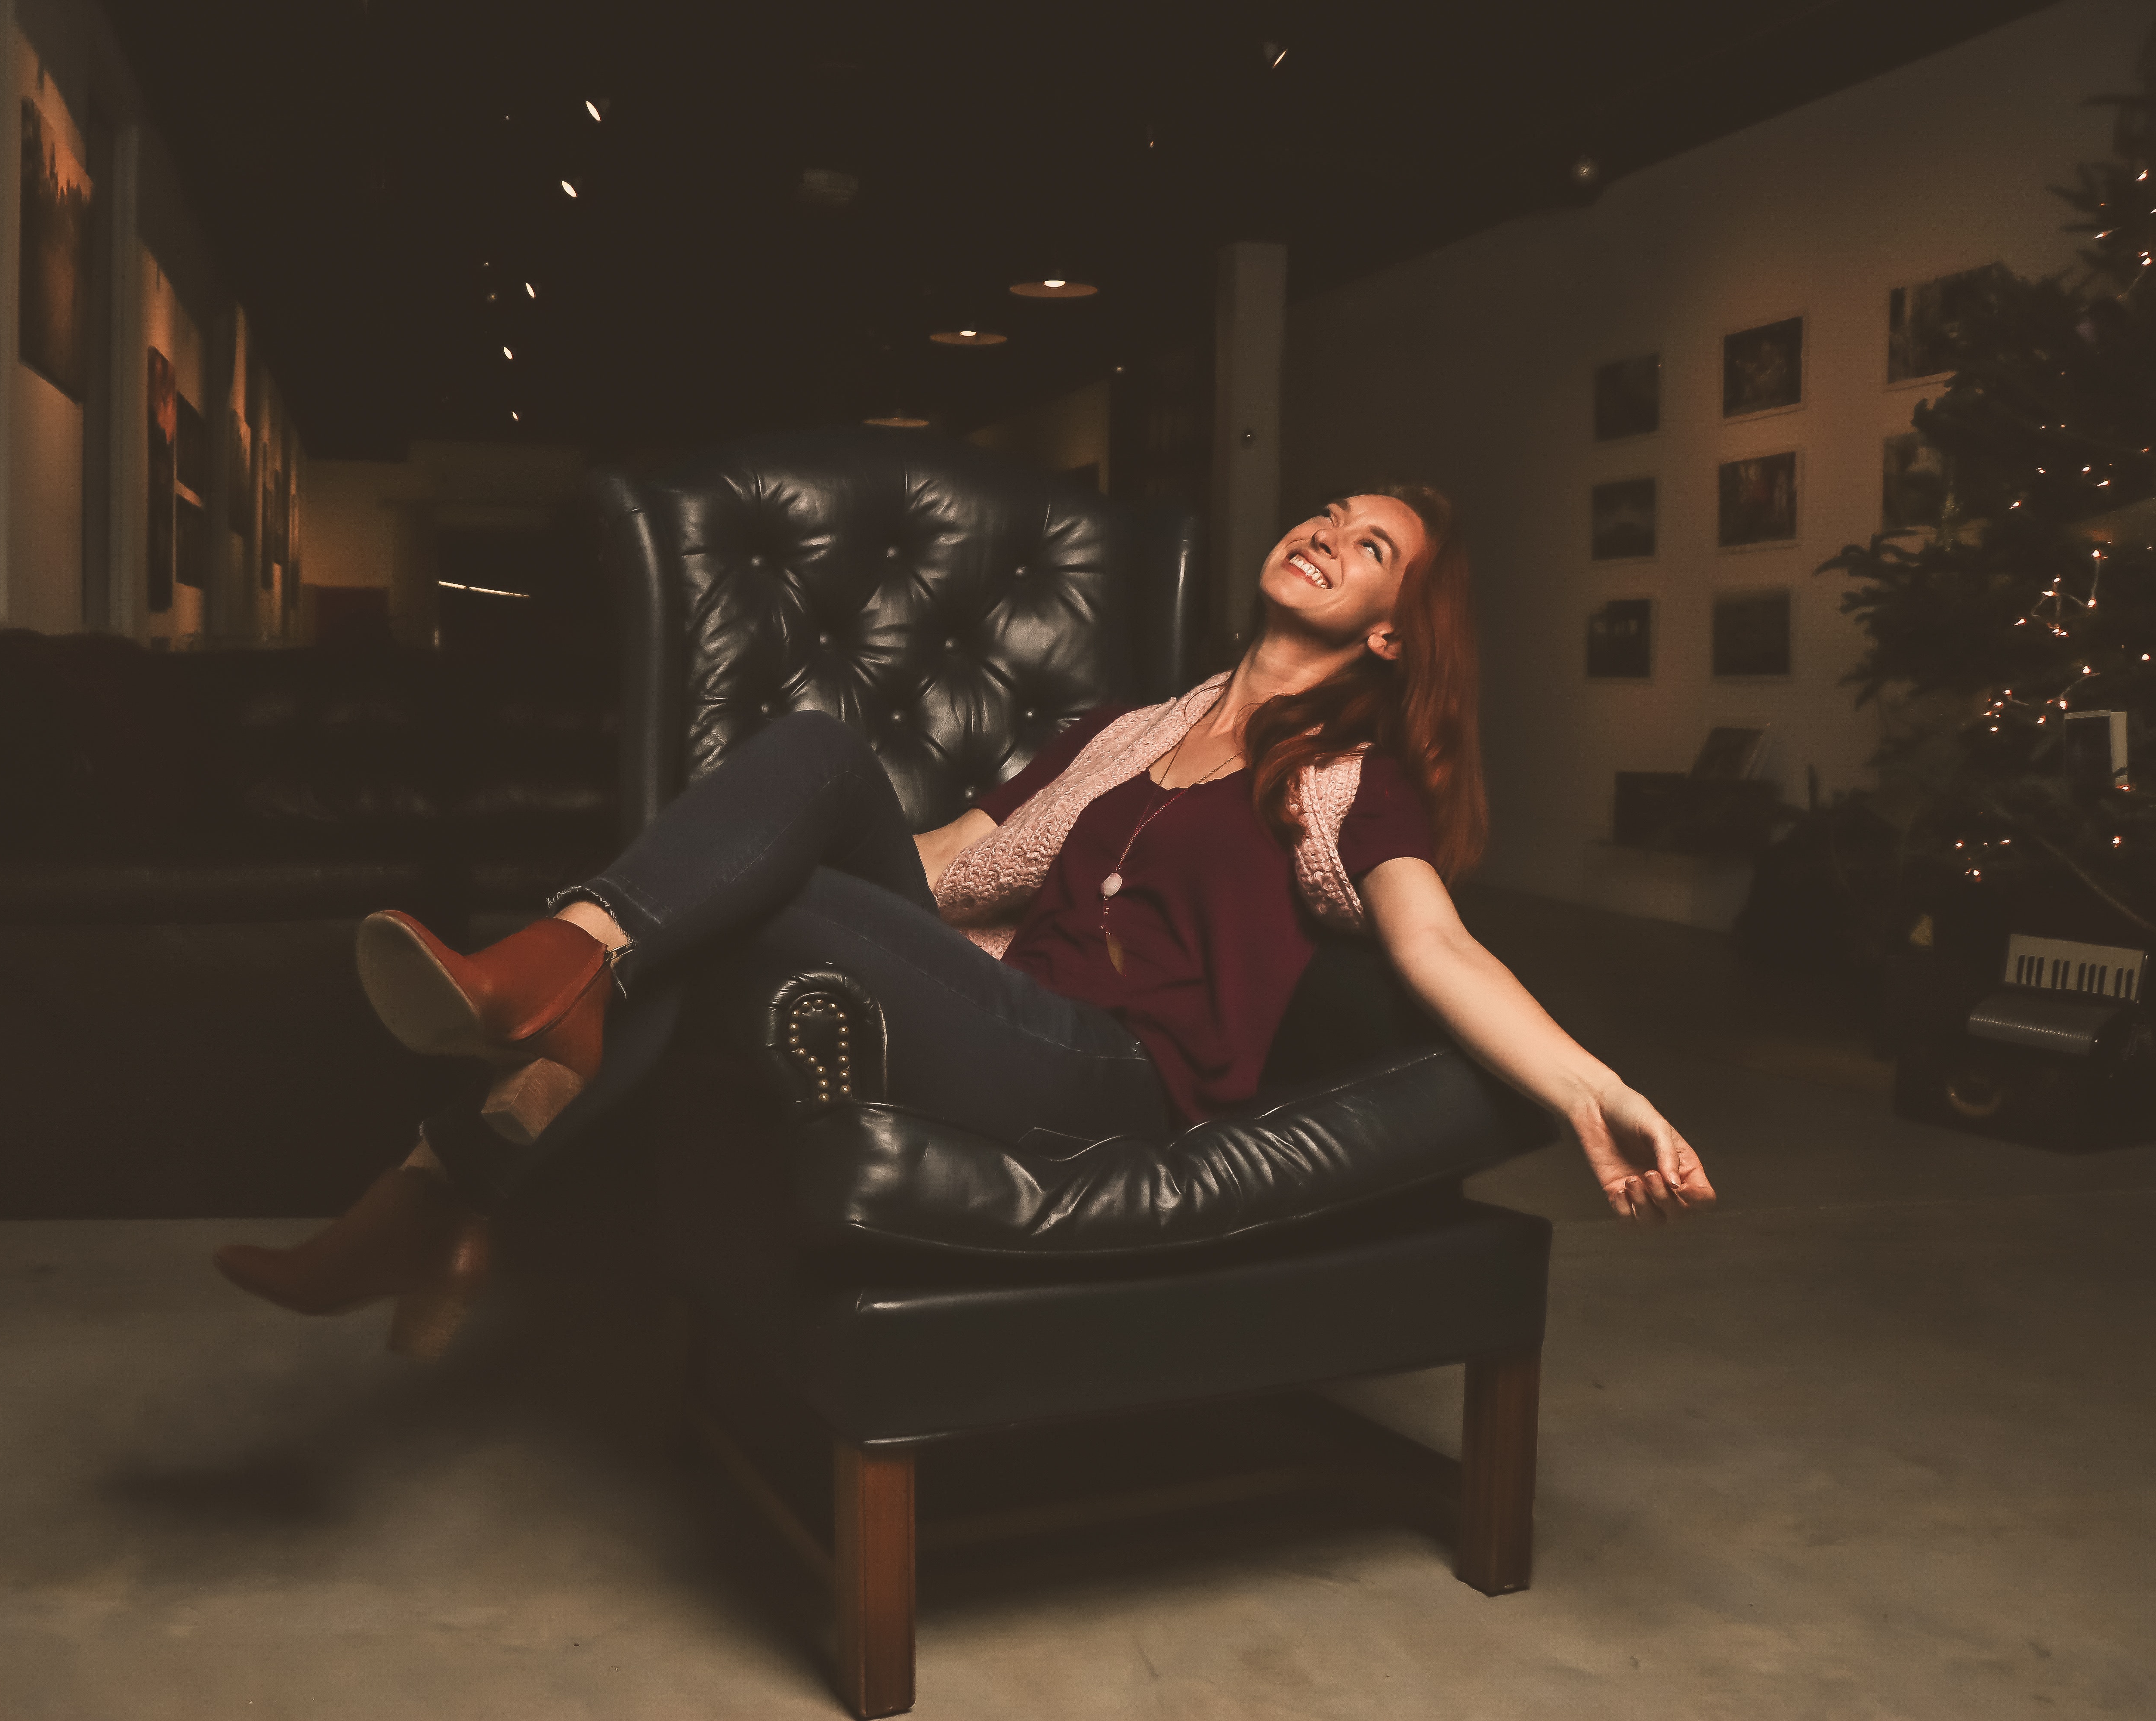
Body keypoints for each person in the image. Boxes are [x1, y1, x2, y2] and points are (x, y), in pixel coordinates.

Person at [213, 484, 1718, 1358]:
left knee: (762, 863)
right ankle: (545, 1028)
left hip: (1109, 1080)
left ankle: (469, 1146)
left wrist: (1599, 1087)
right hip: (1004, 1025)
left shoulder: (1347, 781)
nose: (1328, 535)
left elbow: (1437, 946)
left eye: (1370, 547)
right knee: (804, 768)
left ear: (1391, 632)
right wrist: (737, 883)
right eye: (1328, 514)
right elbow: (934, 874)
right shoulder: (1130, 729)